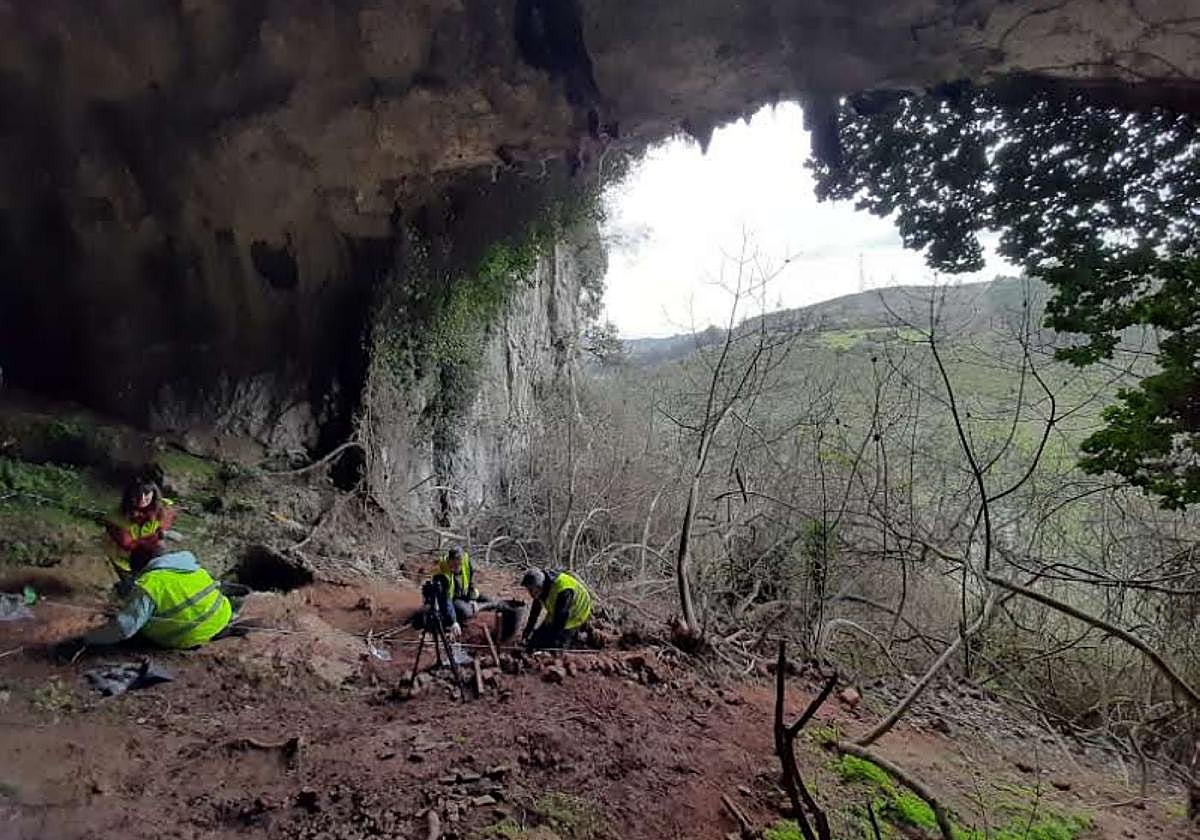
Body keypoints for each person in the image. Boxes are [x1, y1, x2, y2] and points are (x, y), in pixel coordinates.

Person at [74, 544, 233, 650]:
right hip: (223, 616)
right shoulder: (189, 566)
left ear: (140, 567)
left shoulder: (151, 584)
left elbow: (124, 628)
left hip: (189, 636)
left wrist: (88, 639)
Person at [104, 477, 176, 581]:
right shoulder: (117, 518)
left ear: (154, 494)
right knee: (131, 588)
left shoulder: (162, 509)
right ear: (129, 495)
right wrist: (155, 538)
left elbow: (169, 517)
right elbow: (126, 543)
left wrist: (164, 533)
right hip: (125, 561)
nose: (142, 498)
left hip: (151, 555)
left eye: (146, 494)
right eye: (137, 494)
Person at [519, 567, 592, 651]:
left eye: (531, 590)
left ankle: (577, 636)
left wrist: (549, 641)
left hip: (577, 611)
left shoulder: (563, 589)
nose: (530, 593)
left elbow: (560, 620)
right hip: (557, 610)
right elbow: (534, 613)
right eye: (528, 590)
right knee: (535, 640)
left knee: (554, 646)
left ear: (539, 587)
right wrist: (528, 631)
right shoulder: (541, 587)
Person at [431, 546, 492, 640]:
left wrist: (472, 599)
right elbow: (446, 600)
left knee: (488, 599)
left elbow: (470, 582)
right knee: (465, 611)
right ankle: (478, 609)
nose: (456, 568)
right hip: (452, 599)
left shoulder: (466, 562)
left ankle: (483, 606)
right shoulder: (442, 575)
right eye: (453, 565)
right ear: (449, 561)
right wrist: (453, 622)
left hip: (464, 593)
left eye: (459, 564)